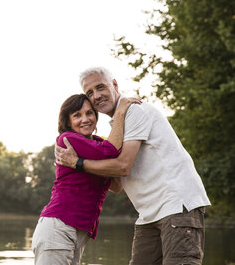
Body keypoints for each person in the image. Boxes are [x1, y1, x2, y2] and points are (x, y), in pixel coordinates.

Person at [55, 67, 211, 265]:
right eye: (90, 93)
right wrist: (82, 155)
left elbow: (122, 167)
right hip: (148, 213)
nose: (96, 96)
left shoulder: (135, 111)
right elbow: (118, 185)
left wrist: (78, 163)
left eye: (100, 87)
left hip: (176, 204)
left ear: (115, 85)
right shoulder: (117, 127)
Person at [32, 93, 140, 265]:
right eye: (77, 115)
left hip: (78, 232)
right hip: (59, 227)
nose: (85, 119)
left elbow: (117, 185)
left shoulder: (98, 145)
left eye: (89, 113)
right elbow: (111, 151)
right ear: (68, 122)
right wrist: (120, 112)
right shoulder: (68, 139)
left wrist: (111, 162)